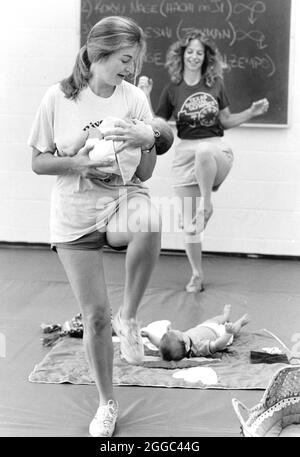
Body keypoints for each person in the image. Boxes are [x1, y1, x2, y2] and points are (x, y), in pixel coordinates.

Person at [28, 16, 173, 438]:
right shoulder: (58, 97)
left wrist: (147, 139)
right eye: (126, 59)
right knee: (94, 319)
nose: (131, 68)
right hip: (74, 214)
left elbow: (144, 173)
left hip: (121, 202)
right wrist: (79, 163)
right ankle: (107, 403)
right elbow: (38, 162)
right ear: (99, 54)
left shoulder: (133, 99)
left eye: (135, 60)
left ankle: (128, 317)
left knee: (151, 217)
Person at [138, 29, 269, 293]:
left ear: (206, 57)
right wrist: (145, 94)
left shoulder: (215, 84)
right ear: (182, 55)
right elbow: (158, 125)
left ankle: (207, 205)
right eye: (190, 52)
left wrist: (251, 112)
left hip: (215, 151)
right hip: (185, 154)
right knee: (189, 224)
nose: (195, 57)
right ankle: (196, 274)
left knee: (204, 152)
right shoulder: (172, 89)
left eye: (200, 52)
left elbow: (226, 121)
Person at [141, 304, 250, 361]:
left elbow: (160, 344)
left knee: (217, 319)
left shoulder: (180, 342)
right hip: (219, 334)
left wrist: (149, 336)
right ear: (186, 345)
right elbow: (217, 345)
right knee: (234, 330)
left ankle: (225, 316)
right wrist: (227, 333)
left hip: (205, 326)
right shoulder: (199, 347)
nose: (176, 330)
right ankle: (241, 322)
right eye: (178, 332)